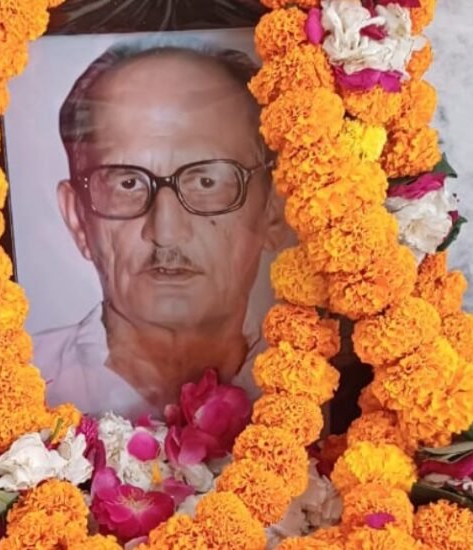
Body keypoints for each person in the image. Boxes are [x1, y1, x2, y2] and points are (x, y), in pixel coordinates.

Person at [33, 37, 289, 418]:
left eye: (206, 182)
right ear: (77, 218)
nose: (166, 230)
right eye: (128, 183)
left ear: (273, 209)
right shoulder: (17, 382)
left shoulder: (331, 386)